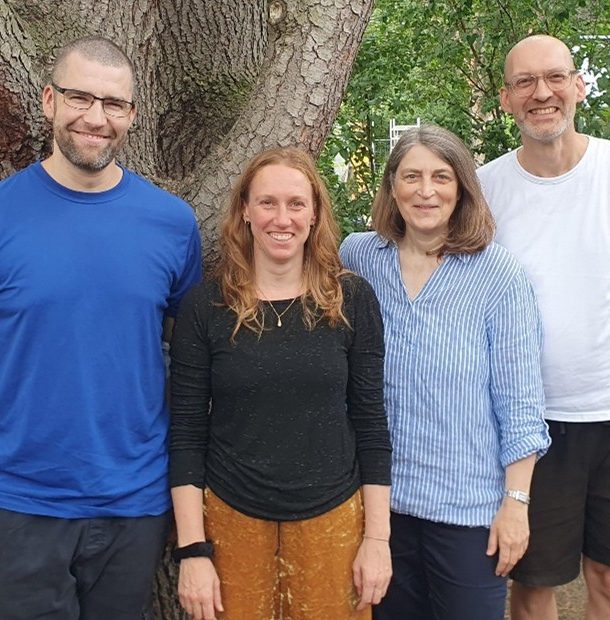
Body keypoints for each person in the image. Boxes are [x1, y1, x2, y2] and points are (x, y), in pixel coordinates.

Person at [0, 36, 202, 619]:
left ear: (132, 114)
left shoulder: (172, 223)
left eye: (113, 103)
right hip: (20, 500)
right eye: (80, 98)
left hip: (134, 501)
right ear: (48, 100)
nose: (96, 117)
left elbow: (189, 361)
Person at [169, 146, 392, 620]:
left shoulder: (351, 299)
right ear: (245, 212)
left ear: (315, 215)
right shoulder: (205, 307)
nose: (282, 218)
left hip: (334, 519)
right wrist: (192, 551)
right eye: (267, 203)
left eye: (296, 204)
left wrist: (377, 538)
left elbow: (371, 422)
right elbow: (186, 432)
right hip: (230, 518)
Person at [340, 125, 550, 620]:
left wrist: (516, 502)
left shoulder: (498, 276)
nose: (426, 191)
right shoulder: (359, 258)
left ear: (462, 188)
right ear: (392, 187)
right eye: (411, 176)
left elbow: (521, 402)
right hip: (379, 511)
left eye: (441, 177)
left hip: (467, 514)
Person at [477, 34, 610, 620]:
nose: (542, 93)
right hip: (531, 424)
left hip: (608, 409)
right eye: (524, 82)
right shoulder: (482, 191)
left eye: (555, 77)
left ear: (578, 87)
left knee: (606, 576)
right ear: (506, 99)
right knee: (531, 584)